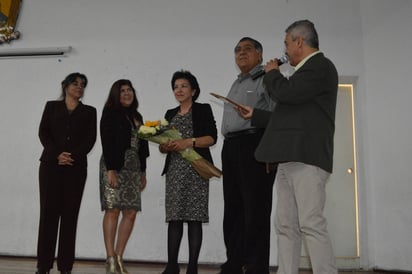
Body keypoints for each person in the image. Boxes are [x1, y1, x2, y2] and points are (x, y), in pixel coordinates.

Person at [238, 20, 339, 274]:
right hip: (288, 158)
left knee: (311, 223)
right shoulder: (301, 77)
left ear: (298, 42)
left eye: (285, 43)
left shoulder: (320, 66)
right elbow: (287, 116)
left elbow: (287, 94)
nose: (283, 49)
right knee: (285, 225)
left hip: (307, 157)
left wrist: (272, 72)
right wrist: (256, 115)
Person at [220, 37, 276, 274]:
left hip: (255, 144)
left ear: (260, 55)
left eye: (247, 49)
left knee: (256, 209)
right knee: (233, 209)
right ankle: (234, 262)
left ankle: (256, 266)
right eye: (237, 50)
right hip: (231, 147)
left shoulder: (266, 78)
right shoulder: (236, 83)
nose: (241, 53)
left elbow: (276, 113)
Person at [36, 72, 97, 274]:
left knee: (70, 217)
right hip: (50, 167)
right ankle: (43, 266)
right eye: (75, 83)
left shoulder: (89, 111)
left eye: (82, 85)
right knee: (48, 216)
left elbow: (90, 139)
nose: (79, 87)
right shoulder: (51, 106)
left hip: (76, 168)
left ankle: (65, 267)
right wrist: (56, 155)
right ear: (65, 86)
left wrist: (71, 156)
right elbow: (43, 132)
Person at [159, 70, 217, 274]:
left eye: (183, 86)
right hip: (175, 171)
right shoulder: (169, 114)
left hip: (196, 169)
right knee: (174, 218)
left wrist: (188, 142)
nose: (179, 90)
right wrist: (164, 147)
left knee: (194, 219)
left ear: (193, 90)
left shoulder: (203, 109)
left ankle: (192, 267)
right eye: (175, 87)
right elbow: (162, 143)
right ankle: (172, 265)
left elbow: (211, 138)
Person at [99, 79, 149, 274]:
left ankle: (119, 257)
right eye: (122, 91)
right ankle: (110, 259)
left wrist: (143, 172)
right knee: (112, 209)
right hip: (114, 165)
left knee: (130, 212)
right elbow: (107, 141)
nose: (127, 93)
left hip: (134, 167)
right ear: (115, 95)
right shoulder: (110, 113)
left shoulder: (137, 116)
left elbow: (143, 148)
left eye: (129, 90)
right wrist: (111, 169)